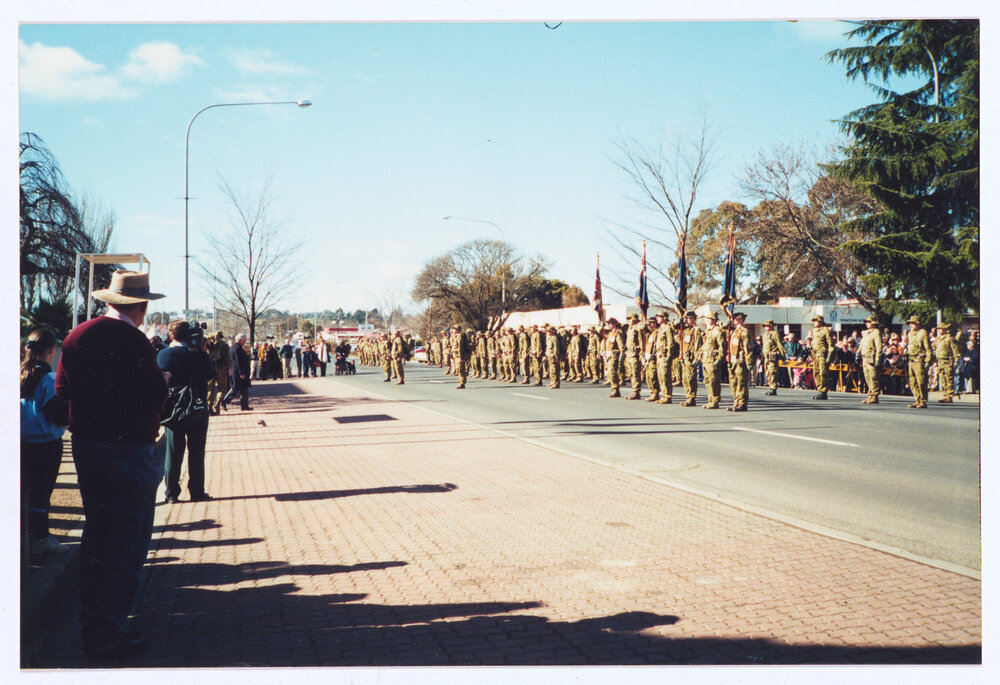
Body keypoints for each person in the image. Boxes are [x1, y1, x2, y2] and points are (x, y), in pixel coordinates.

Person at [54, 270, 168, 662]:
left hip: (88, 448)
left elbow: (62, 392)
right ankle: (110, 631)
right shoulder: (134, 342)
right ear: (140, 306)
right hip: (128, 450)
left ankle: (93, 625)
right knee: (128, 542)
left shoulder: (76, 336)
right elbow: (153, 393)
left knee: (97, 537)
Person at [20, 327, 70, 556]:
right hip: (47, 444)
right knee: (42, 492)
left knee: (26, 490)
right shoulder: (49, 378)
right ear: (51, 350)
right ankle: (40, 538)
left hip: (22, 442)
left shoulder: (19, 373)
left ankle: (29, 536)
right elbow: (55, 412)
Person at [157, 320, 215, 503]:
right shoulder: (199, 355)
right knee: (197, 452)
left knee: (173, 452)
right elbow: (211, 374)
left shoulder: (164, 354)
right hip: (197, 407)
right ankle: (197, 491)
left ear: (171, 335)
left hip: (174, 410)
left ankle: (172, 493)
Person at [700, 312, 726, 409]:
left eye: (709, 318)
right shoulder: (708, 331)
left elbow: (722, 346)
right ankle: (710, 399)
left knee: (714, 381)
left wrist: (719, 359)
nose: (707, 320)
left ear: (714, 320)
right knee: (707, 381)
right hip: (706, 359)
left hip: (712, 360)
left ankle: (715, 401)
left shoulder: (717, 331)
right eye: (707, 318)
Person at [727, 312, 752, 411]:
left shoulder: (744, 332)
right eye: (734, 319)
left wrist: (749, 362)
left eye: (737, 319)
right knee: (733, 382)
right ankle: (736, 402)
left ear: (741, 320)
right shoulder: (734, 332)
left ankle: (742, 403)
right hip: (733, 361)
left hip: (740, 361)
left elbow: (747, 348)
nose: (735, 321)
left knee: (741, 383)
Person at [906, 315, 932, 408]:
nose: (911, 325)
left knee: (921, 381)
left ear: (918, 324)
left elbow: (928, 348)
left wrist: (928, 360)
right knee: (912, 381)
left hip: (919, 360)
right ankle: (917, 399)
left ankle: (923, 400)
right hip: (911, 360)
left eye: (913, 323)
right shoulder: (910, 333)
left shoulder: (923, 333)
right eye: (910, 323)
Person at [858, 316, 884, 403]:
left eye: (869, 322)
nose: (867, 323)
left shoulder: (876, 332)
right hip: (865, 358)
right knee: (867, 377)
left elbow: (879, 347)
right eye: (866, 322)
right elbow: (862, 344)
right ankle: (870, 394)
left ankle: (875, 395)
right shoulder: (865, 333)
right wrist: (858, 353)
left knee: (873, 377)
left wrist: (878, 359)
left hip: (871, 358)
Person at [934, 323, 962, 403]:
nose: (939, 330)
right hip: (940, 361)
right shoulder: (938, 338)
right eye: (938, 329)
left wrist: (956, 361)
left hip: (948, 361)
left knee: (949, 378)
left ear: (945, 330)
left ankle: (949, 395)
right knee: (943, 379)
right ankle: (946, 394)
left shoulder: (949, 338)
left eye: (941, 328)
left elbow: (955, 350)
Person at [810, 315, 833, 399]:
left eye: (816, 321)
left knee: (823, 373)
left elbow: (830, 344)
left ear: (820, 321)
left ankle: (823, 391)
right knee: (816, 372)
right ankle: (820, 389)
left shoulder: (825, 330)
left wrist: (830, 356)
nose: (814, 322)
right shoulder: (814, 330)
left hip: (822, 354)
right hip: (815, 354)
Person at [228, 333, 253, 411]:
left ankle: (244, 405)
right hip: (239, 371)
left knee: (244, 389)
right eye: (244, 340)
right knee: (236, 388)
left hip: (239, 371)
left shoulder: (235, 347)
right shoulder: (237, 348)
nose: (245, 341)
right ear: (239, 340)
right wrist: (241, 373)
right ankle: (225, 401)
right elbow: (238, 361)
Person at [761, 320, 784, 396]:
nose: (766, 327)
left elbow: (779, 344)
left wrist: (783, 354)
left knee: (773, 372)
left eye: (767, 325)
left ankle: (773, 388)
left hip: (772, 356)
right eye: (765, 326)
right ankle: (770, 386)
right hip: (766, 356)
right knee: (767, 372)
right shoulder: (764, 335)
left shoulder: (775, 334)